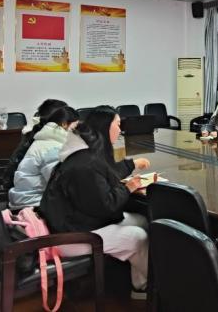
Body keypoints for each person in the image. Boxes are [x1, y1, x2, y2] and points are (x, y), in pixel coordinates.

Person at [39, 106, 151, 299]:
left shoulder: (83, 154)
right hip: (69, 237)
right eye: (118, 124)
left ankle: (136, 279)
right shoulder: (85, 164)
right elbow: (106, 205)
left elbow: (107, 174)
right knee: (138, 237)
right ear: (106, 127)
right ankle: (145, 288)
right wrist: (128, 188)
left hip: (75, 223)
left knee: (141, 220)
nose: (120, 130)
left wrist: (130, 166)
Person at [8, 107, 79, 209]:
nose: (77, 132)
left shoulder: (47, 140)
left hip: (26, 200)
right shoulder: (53, 147)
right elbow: (60, 184)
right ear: (64, 124)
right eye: (75, 127)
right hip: (32, 205)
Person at [4, 98, 68, 188]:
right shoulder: (48, 144)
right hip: (28, 192)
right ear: (63, 122)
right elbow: (61, 183)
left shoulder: (36, 134)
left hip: (17, 187)